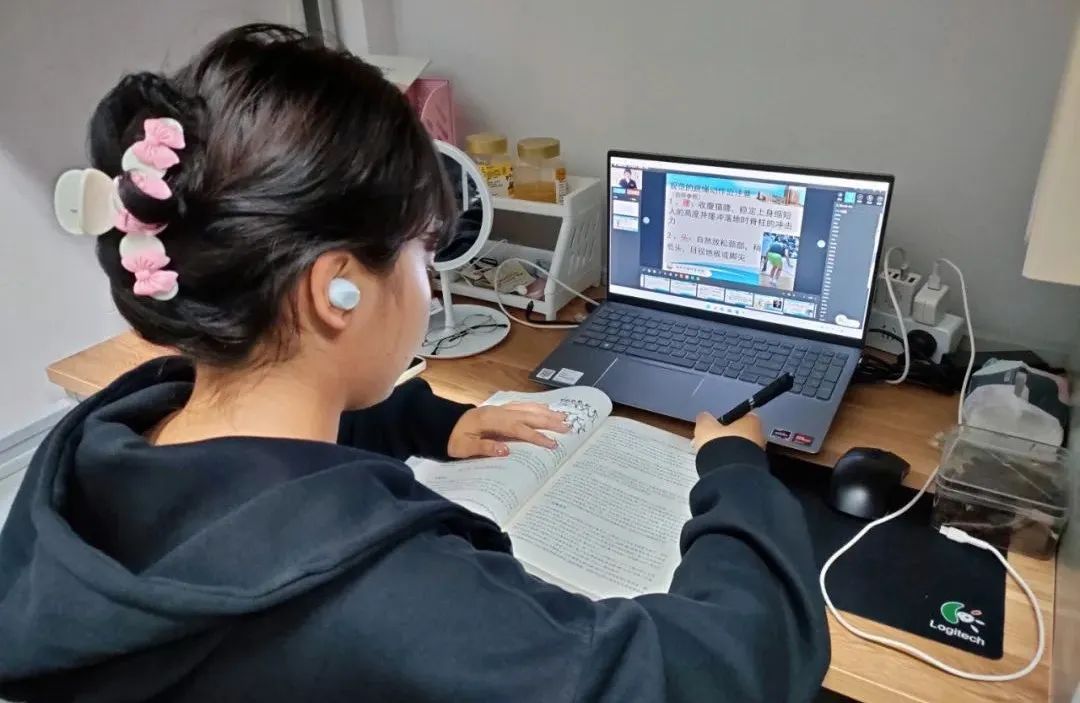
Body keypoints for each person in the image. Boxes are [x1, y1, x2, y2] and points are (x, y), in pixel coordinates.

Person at [0, 25, 828, 702]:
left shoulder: (96, 449)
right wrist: (738, 474)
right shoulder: (399, 603)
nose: (428, 280)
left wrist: (429, 422)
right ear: (338, 290)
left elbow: (254, 459)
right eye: (421, 251)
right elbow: (722, 672)